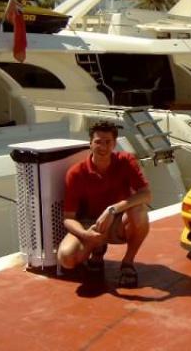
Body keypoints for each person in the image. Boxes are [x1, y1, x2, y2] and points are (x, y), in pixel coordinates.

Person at [57, 121, 151, 287]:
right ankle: (97, 252)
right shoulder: (76, 173)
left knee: (140, 210)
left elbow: (146, 195)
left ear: (114, 144)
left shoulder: (125, 160)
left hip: (116, 221)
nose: (103, 147)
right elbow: (68, 218)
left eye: (108, 142)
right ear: (90, 144)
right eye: (98, 141)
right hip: (89, 225)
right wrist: (86, 235)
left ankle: (127, 263)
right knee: (66, 258)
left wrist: (113, 210)